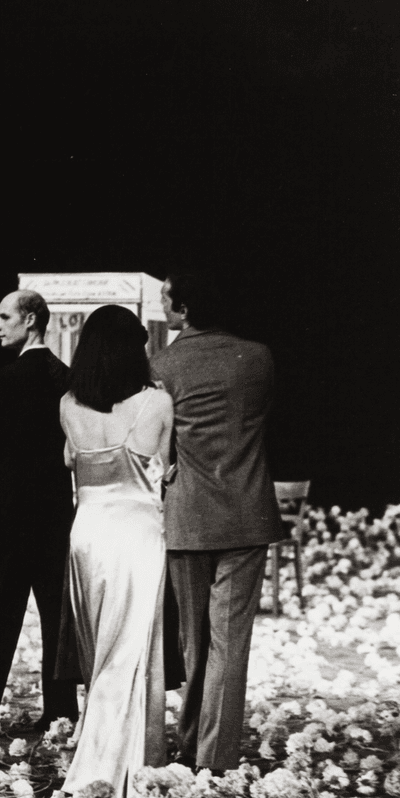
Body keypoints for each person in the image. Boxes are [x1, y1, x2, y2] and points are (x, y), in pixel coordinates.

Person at [152, 271, 282, 772]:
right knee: (230, 640)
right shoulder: (258, 358)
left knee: (195, 641)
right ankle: (213, 752)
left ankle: (192, 742)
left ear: (183, 309)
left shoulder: (163, 363)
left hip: (188, 516)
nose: (164, 308)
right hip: (246, 512)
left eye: (167, 299)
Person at [56, 305, 175, 798]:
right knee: (130, 652)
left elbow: (71, 462)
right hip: (136, 537)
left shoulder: (67, 404)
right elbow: (164, 470)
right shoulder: (158, 404)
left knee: (100, 653)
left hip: (87, 535)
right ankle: (113, 763)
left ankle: (105, 741)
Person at [0, 289, 80, 731]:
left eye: (4, 316)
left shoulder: (5, 380)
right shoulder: (67, 377)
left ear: (30, 321)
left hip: (11, 512)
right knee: (55, 613)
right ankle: (61, 708)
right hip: (53, 511)